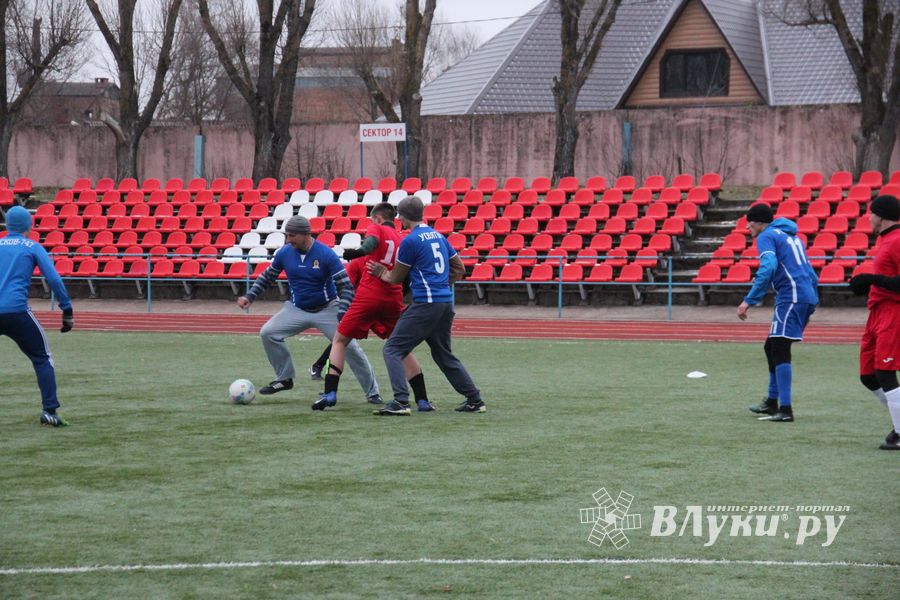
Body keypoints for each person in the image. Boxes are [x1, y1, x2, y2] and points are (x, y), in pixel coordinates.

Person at [236, 215, 383, 406]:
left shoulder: (326, 254)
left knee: (351, 348)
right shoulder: (284, 252)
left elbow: (346, 287)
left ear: (305, 234)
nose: (288, 240)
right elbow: (268, 276)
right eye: (287, 235)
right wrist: (250, 296)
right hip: (296, 309)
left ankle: (372, 393)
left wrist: (342, 311)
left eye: (292, 236)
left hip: (328, 309)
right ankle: (284, 379)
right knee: (268, 333)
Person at [367, 195, 485, 416]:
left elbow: (394, 278)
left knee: (393, 349)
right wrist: (441, 284)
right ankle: (474, 399)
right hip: (444, 302)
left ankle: (401, 401)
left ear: (401, 217)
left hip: (425, 304)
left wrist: (381, 272)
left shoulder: (411, 241)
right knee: (443, 354)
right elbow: (460, 268)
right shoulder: (439, 236)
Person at [313, 203, 433, 412]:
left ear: (377, 218)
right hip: (393, 298)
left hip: (369, 296)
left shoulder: (376, 230)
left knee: (339, 340)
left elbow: (372, 241)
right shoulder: (401, 238)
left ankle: (330, 393)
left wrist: (358, 251)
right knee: (401, 348)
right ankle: (422, 400)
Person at [737, 202, 818, 422]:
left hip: (791, 296)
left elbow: (769, 266)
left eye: (750, 223)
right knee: (771, 345)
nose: (748, 228)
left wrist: (749, 300)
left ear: (760, 222)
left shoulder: (767, 236)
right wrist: (812, 298)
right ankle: (773, 402)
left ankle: (785, 409)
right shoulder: (793, 237)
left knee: (780, 347)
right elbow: (811, 272)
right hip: (803, 295)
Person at [0, 206, 74, 427]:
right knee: (42, 358)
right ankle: (49, 411)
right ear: (29, 226)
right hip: (17, 312)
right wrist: (67, 309)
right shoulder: (32, 246)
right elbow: (54, 279)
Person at [848, 194, 900, 450]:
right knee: (868, 375)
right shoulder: (887, 241)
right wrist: (868, 282)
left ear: (881, 216)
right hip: (877, 312)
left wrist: (871, 279)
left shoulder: (898, 240)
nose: (869, 218)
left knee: (886, 372)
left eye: (872, 214)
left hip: (893, 312)